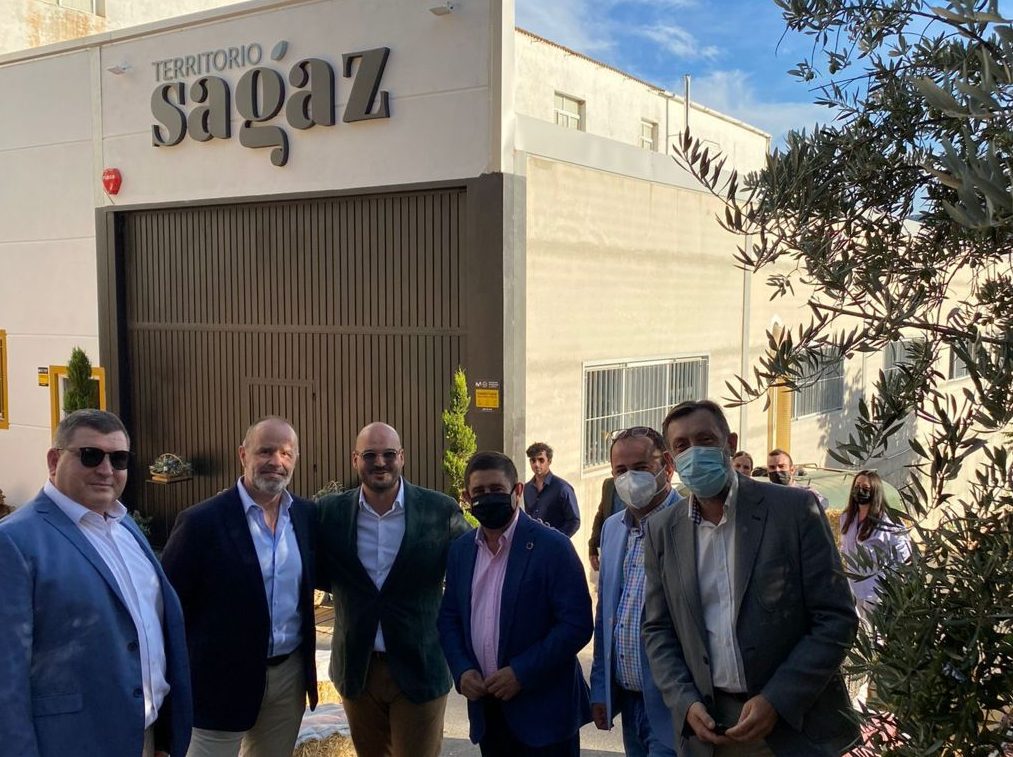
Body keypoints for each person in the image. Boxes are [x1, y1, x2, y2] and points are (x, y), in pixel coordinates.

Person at [643, 400, 859, 756]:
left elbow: (836, 618)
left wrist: (778, 699)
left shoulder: (793, 511)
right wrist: (684, 701)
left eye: (705, 440)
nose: (694, 453)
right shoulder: (662, 530)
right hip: (711, 730)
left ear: (730, 443)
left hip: (794, 724)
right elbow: (657, 629)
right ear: (671, 460)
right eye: (682, 445)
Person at [0, 409, 192, 757]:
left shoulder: (124, 525)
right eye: (91, 456)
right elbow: (6, 679)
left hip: (145, 737)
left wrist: (163, 736)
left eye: (118, 459)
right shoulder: (13, 542)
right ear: (54, 460)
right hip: (74, 744)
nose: (106, 470)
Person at [162, 416, 318, 756]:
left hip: (287, 680)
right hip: (217, 684)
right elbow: (167, 608)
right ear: (243, 455)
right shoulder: (201, 523)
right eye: (265, 451)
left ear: (295, 459)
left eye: (286, 453)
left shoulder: (307, 516)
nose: (276, 461)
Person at [316, 422, 471, 757]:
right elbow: (313, 571)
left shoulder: (439, 510)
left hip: (420, 666)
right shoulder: (330, 513)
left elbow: (475, 568)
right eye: (369, 455)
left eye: (388, 454)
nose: (380, 462)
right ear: (355, 459)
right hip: (358, 670)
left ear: (402, 457)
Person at [438, 450, 593, 756]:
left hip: (545, 716)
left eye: (497, 489)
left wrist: (522, 672)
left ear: (517, 490)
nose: (488, 497)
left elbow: (576, 625)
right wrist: (462, 670)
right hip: (488, 713)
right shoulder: (461, 551)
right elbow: (449, 618)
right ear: (467, 498)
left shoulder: (553, 547)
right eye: (479, 492)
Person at [590, 427, 678, 757]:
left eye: (640, 468)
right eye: (621, 470)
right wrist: (601, 688)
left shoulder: (690, 523)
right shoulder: (613, 528)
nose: (630, 478)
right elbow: (606, 614)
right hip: (629, 703)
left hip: (673, 705)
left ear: (667, 466)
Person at [839, 470, 912, 621]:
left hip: (878, 590)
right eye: (857, 486)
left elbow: (904, 554)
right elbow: (845, 548)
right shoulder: (846, 517)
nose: (860, 490)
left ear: (875, 491)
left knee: (876, 631)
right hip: (854, 588)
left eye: (865, 488)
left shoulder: (888, 521)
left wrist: (894, 583)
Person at [523, 441, 580, 537]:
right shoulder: (527, 489)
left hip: (556, 543)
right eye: (533, 460)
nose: (536, 464)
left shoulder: (562, 488)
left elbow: (574, 521)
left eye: (541, 460)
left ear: (549, 461)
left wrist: (557, 539)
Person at [588, 476, 622, 571]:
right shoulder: (609, 485)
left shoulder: (643, 487)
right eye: (620, 471)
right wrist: (592, 547)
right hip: (611, 549)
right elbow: (601, 515)